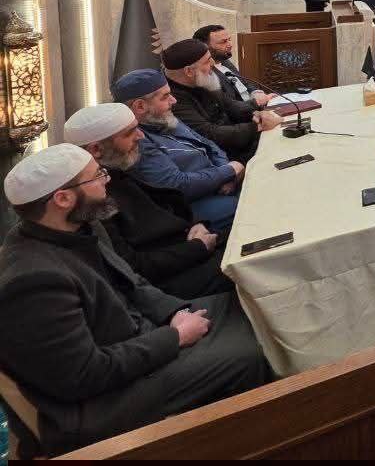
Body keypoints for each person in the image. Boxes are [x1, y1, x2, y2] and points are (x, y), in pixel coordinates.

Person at [0, 145, 270, 457]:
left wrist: (174, 312)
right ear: (63, 199)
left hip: (139, 336)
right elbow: (84, 375)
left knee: (250, 303)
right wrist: (174, 337)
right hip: (101, 404)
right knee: (250, 353)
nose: (107, 180)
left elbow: (133, 283)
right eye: (97, 176)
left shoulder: (81, 225)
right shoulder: (32, 282)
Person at [63, 104, 231, 300]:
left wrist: (196, 224)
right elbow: (133, 267)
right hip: (172, 281)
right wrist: (198, 247)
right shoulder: (92, 199)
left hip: (190, 248)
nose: (141, 136)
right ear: (96, 149)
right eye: (130, 133)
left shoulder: (121, 165)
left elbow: (169, 203)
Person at [112, 69, 244, 234]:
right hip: (189, 206)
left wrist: (228, 173)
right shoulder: (137, 141)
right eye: (165, 96)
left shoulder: (162, 117)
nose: (174, 100)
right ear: (140, 106)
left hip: (219, 185)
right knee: (248, 206)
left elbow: (210, 146)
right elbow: (178, 185)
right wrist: (228, 171)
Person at [162, 39, 280, 165]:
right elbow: (209, 134)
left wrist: (257, 113)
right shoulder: (170, 99)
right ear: (189, 71)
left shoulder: (200, 77)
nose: (213, 63)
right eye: (207, 61)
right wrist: (257, 126)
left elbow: (230, 105)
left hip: (240, 140)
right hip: (223, 159)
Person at [192, 24, 267, 105]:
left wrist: (257, 93)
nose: (230, 45)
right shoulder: (206, 72)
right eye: (223, 42)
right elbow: (227, 105)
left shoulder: (225, 61)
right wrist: (256, 103)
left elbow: (244, 83)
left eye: (229, 39)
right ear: (205, 47)